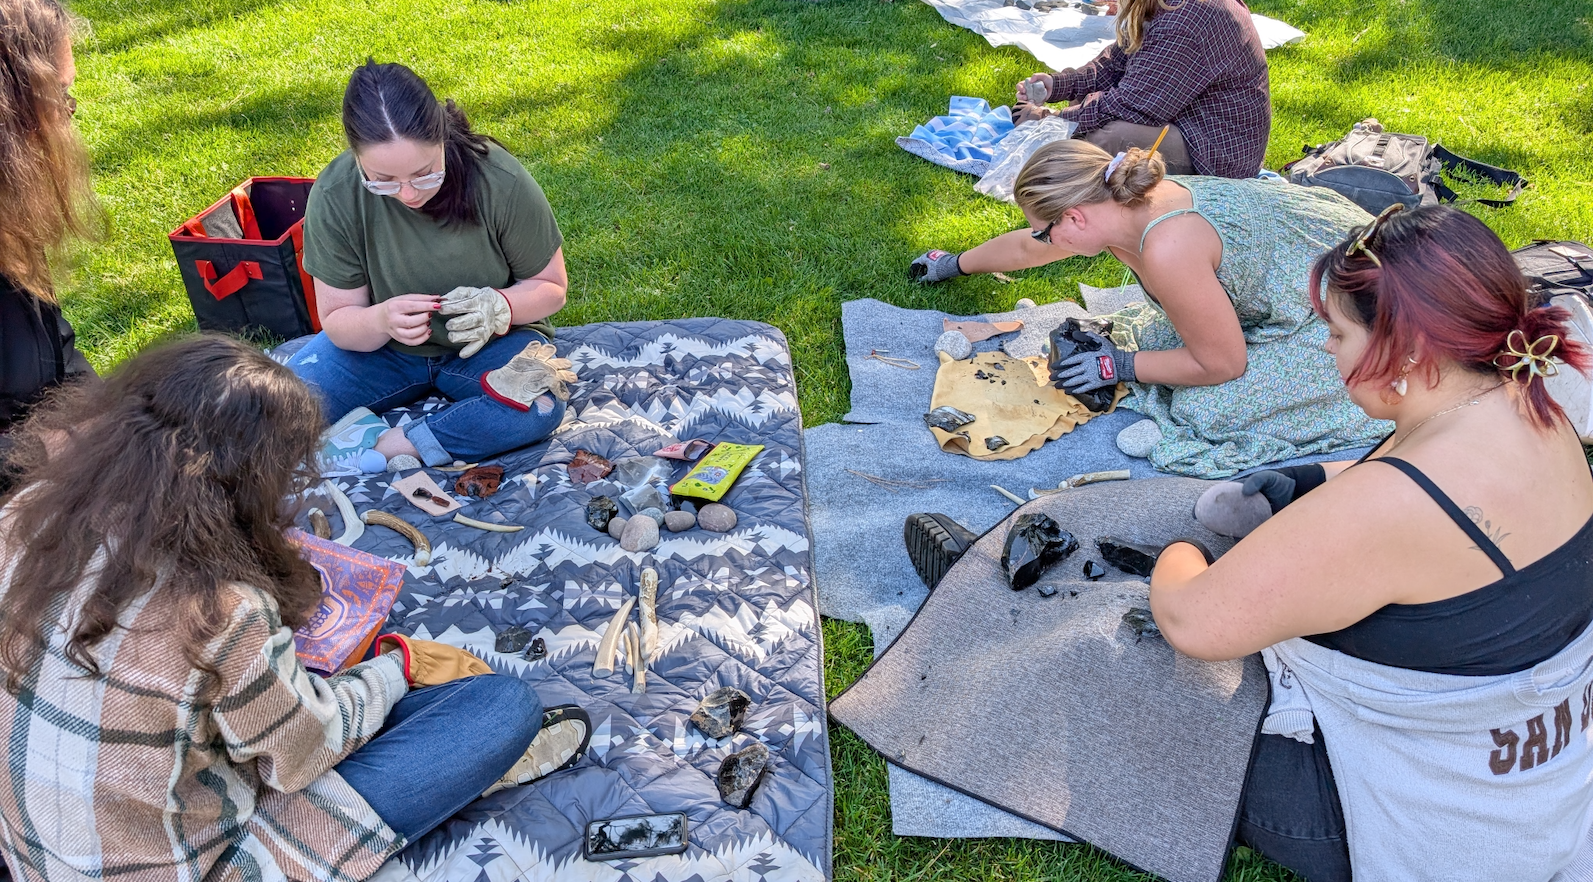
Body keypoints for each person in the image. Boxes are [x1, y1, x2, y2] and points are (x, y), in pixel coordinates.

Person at [0, 336, 591, 882]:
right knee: (497, 706)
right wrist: (394, 671)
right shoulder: (220, 612)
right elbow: (301, 752)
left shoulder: (19, 518)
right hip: (199, 864)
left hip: (34, 856)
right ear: (247, 483)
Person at [1152, 206, 1593, 880]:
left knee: (1134, 659)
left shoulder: (1398, 501)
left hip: (1415, 822)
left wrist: (1177, 553)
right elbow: (1437, 497)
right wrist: (1305, 480)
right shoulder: (1527, 401)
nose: (1327, 348)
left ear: (1407, 349)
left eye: (1335, 331)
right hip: (1531, 793)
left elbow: (1194, 622)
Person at [915, 139, 1386, 477]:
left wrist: (1117, 365)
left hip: (1359, 306)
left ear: (1074, 217)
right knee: (1160, 345)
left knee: (1211, 409)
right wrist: (955, 264)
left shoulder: (1167, 246)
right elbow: (1027, 250)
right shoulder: (1121, 202)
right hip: (1312, 271)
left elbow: (1223, 362)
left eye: (1046, 229)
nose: (1043, 240)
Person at [288, 60, 573, 471]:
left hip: (491, 346)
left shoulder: (498, 179)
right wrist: (382, 320)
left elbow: (551, 286)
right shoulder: (335, 193)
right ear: (357, 158)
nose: (406, 194)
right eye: (382, 180)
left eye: (424, 175)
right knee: (269, 410)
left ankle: (395, 446)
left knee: (541, 404)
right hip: (384, 352)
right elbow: (337, 319)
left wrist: (499, 307)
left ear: (441, 138)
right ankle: (400, 439)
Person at [0, 0, 99, 495]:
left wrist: (110, 412)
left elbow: (54, 351)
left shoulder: (9, 207)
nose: (67, 116)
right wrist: (36, 452)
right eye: (58, 96)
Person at [1011, 0, 1270, 178]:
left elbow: (1133, 107)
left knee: (1108, 136)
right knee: (1088, 108)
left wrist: (1049, 121)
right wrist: (1058, 85)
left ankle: (1057, 145)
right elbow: (1115, 63)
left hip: (1216, 156)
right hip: (1186, 120)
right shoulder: (1163, 6)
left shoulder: (1185, 18)